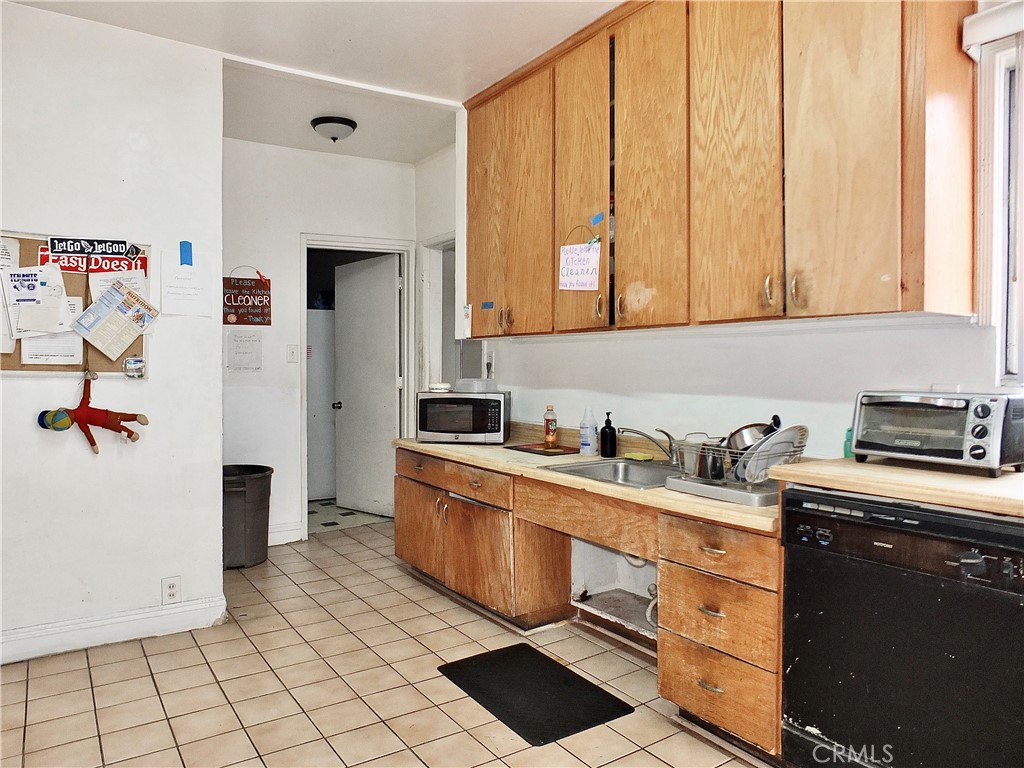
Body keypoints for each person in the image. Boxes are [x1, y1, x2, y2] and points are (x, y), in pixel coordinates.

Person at [37, 373, 149, 454]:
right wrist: (88, 378)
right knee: (122, 416)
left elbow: (88, 435)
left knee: (120, 428)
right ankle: (136, 417)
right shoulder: (82, 407)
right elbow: (86, 394)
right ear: (63, 409)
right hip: (108, 414)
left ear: (68, 427)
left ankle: (133, 434)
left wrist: (94, 446)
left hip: (106, 424)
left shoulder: (81, 424)